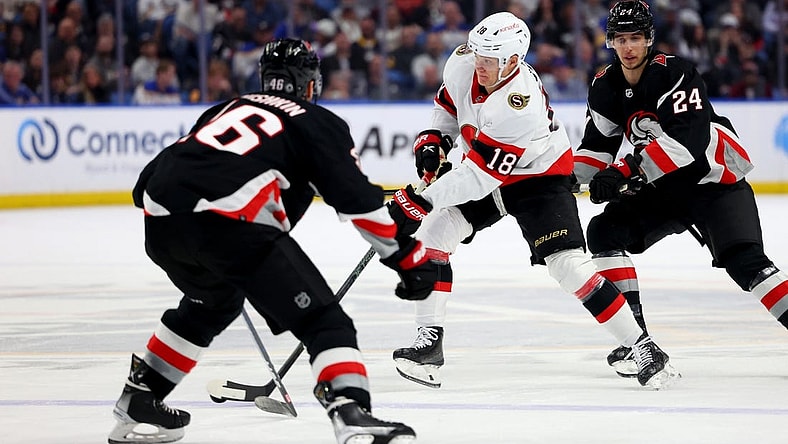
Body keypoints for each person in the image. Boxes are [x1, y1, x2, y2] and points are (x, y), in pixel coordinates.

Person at [107, 38, 437, 444]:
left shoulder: (226, 108)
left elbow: (144, 185)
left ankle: (141, 396)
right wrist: (407, 257)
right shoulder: (316, 120)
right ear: (310, 84)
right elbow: (358, 201)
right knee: (324, 321)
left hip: (160, 225)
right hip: (230, 227)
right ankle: (352, 411)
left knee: (214, 303)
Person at [386, 11, 679, 391]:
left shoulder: (518, 104)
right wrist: (434, 141)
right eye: (478, 55)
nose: (479, 65)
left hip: (538, 179)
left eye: (489, 60)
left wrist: (421, 200)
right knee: (432, 238)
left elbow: (478, 178)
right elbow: (448, 105)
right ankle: (428, 346)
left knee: (569, 267)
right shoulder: (464, 62)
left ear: (512, 60)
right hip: (486, 168)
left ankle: (642, 346)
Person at [573, 1, 788, 379]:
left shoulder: (675, 74)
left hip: (713, 180)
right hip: (662, 186)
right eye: (621, 39)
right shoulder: (605, 85)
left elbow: (686, 144)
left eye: (635, 37)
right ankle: (636, 340)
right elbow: (595, 148)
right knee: (605, 232)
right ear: (610, 41)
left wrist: (623, 171)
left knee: (747, 264)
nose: (628, 47)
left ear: (649, 38)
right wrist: (560, 179)